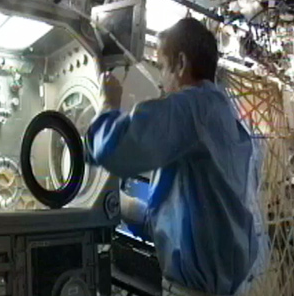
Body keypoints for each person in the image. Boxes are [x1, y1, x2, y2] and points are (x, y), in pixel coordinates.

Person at [86, 18, 260, 296]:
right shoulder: (224, 116)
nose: (161, 82)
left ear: (180, 64)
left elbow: (112, 148)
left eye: (162, 68)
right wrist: (127, 207)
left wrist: (109, 103)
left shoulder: (192, 108)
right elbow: (192, 220)